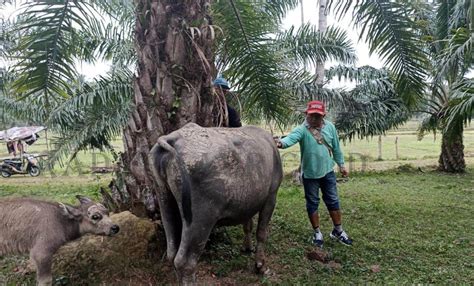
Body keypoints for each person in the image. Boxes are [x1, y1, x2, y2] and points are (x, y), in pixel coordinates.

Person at [275, 100, 352, 247]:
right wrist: (280, 143)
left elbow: (336, 147)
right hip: (310, 175)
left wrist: (341, 165)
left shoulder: (330, 127)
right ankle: (317, 233)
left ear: (324, 116)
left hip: (328, 171)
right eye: (312, 116)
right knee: (312, 203)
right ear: (307, 115)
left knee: (333, 201)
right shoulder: (302, 129)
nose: (315, 119)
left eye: (318, 116)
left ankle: (338, 230)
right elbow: (290, 139)